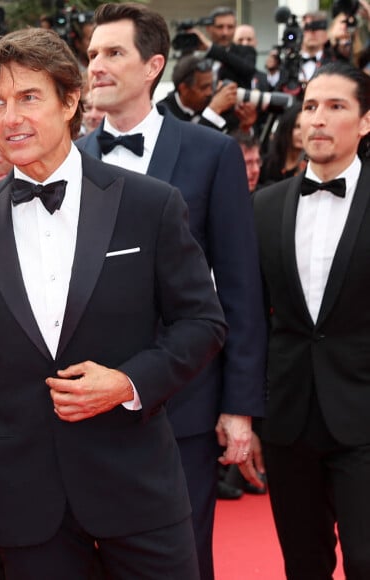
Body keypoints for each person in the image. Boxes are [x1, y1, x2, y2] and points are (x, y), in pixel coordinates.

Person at [0, 26, 227, 580]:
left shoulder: (149, 205)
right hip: (23, 498)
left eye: (29, 97)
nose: (11, 117)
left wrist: (127, 382)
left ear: (70, 99)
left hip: (136, 485)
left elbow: (202, 321)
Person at [76, 4, 266, 580]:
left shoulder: (212, 153)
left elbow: (239, 287)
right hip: (86, 404)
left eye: (114, 53)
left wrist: (238, 407)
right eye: (92, 56)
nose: (98, 67)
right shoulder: (72, 159)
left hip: (182, 401)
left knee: (181, 561)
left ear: (154, 65)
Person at [248, 61, 370, 580]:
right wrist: (245, 413)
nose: (317, 120)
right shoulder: (264, 206)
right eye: (311, 106)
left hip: (365, 417)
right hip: (287, 418)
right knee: (303, 564)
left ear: (365, 122)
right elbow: (248, 319)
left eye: (336, 107)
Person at [260, 103, 306, 184]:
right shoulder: (267, 164)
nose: (302, 133)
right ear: (287, 127)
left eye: (305, 127)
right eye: (297, 127)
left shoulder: (310, 168)